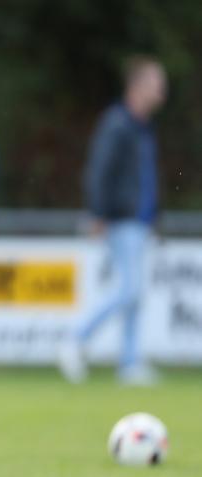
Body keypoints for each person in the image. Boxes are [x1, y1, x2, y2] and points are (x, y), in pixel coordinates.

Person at [58, 56, 167, 386]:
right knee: (130, 289)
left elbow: (145, 179)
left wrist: (155, 216)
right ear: (137, 86)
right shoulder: (117, 123)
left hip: (140, 220)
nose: (162, 91)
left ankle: (130, 362)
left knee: (136, 293)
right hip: (120, 219)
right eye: (156, 84)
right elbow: (98, 170)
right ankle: (76, 339)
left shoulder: (141, 127)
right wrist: (98, 212)